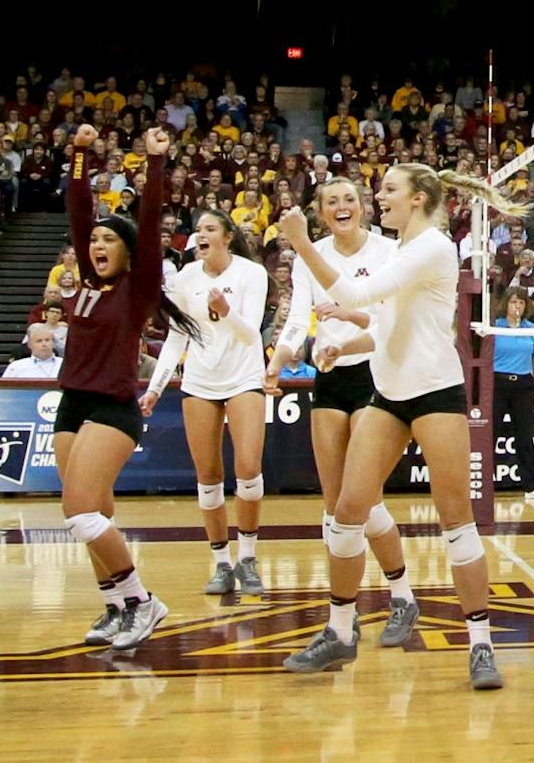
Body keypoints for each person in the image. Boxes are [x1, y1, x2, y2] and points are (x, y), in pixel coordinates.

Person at [274, 163, 525, 688]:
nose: (378, 196)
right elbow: (383, 322)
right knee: (346, 511)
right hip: (388, 395)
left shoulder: (433, 246)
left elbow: (355, 295)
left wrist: (301, 242)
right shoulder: (399, 252)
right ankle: (340, 631)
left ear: (417, 198)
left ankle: (480, 644)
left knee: (455, 517)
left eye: (389, 189)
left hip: (435, 392)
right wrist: (343, 342)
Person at [56, 124, 202, 652]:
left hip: (113, 408)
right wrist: (77, 154)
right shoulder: (88, 283)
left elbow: (147, 216)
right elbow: (76, 209)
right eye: (92, 239)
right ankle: (115, 606)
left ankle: (142, 601)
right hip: (72, 404)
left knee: (81, 512)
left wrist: (155, 164)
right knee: (95, 513)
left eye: (108, 238)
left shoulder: (139, 288)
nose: (95, 244)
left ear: (128, 251)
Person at [265, 178, 417, 646]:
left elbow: (390, 321)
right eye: (332, 201)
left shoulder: (389, 252)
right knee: (336, 509)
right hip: (329, 378)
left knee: (365, 503)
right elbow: (298, 318)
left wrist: (350, 330)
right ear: (321, 212)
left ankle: (402, 596)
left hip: (376, 377)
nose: (342, 206)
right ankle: (343, 618)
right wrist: (277, 359)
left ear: (364, 206)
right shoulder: (314, 257)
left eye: (349, 198)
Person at [146, 209, 270, 596]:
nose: (200, 234)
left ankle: (247, 558)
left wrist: (226, 310)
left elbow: (251, 335)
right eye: (198, 229)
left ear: (227, 237)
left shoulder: (252, 274)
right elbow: (177, 340)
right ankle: (220, 563)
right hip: (199, 382)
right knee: (208, 476)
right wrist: (154, 386)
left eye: (209, 229)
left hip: (245, 377)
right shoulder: (184, 280)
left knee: (248, 469)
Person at [491, 288, 534, 500]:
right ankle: (484, 484)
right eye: (514, 302)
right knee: (491, 435)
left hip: (523, 385)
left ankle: (532, 485)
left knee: (525, 436)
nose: (517, 306)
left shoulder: (531, 329)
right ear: (506, 304)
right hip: (497, 383)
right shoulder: (496, 327)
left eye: (521, 303)